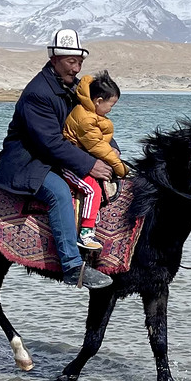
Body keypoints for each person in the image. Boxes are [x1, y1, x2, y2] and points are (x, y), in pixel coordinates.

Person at [0, 29, 115, 289]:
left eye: (80, 62)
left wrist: (111, 152)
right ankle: (72, 265)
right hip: (28, 161)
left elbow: (91, 125)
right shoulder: (38, 93)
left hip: (55, 157)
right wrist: (90, 164)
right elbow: (49, 143)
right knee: (59, 192)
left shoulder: (74, 88)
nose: (77, 68)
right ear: (54, 59)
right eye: (71, 62)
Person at [61, 70, 127, 251]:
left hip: (83, 156)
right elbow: (95, 144)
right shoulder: (86, 118)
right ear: (98, 101)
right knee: (92, 189)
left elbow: (101, 140)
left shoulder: (91, 111)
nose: (111, 110)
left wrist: (114, 150)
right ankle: (86, 233)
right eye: (111, 105)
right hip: (69, 164)